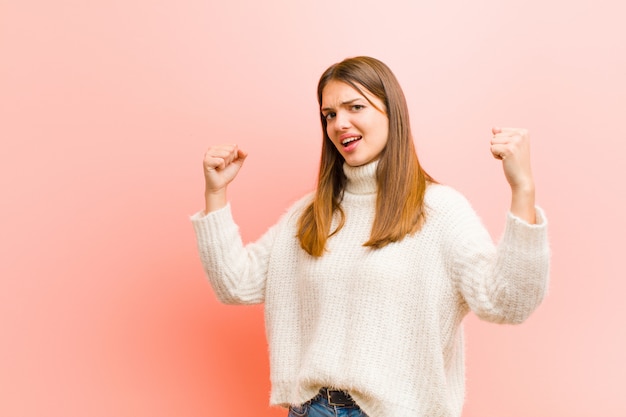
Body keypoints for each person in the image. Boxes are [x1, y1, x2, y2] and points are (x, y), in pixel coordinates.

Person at [191, 56, 550, 417]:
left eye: (355, 107)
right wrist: (215, 194)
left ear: (392, 112)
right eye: (329, 114)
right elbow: (235, 284)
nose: (339, 123)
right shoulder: (309, 214)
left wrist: (523, 189)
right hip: (312, 409)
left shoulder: (440, 211)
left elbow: (508, 302)